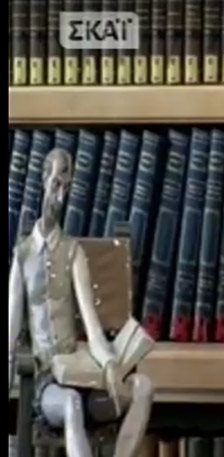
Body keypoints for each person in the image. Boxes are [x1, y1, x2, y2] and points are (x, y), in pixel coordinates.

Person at [8, 148, 154, 457]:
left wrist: (110, 364)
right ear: (43, 181)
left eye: (67, 186)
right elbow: (10, 334)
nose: (61, 196)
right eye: (56, 184)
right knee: (71, 403)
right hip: (50, 383)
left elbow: (92, 324)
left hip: (86, 375)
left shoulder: (73, 252)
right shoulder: (23, 256)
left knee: (143, 387)